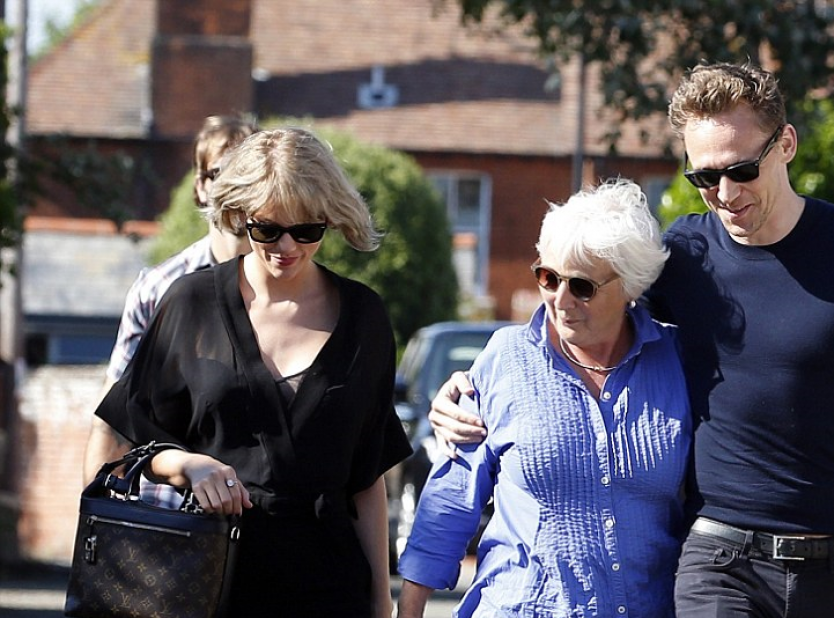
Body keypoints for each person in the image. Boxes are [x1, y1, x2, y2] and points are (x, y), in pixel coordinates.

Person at [431, 61, 834, 618]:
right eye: (704, 177)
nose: (724, 193)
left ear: (786, 144)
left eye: (742, 170)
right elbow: (585, 330)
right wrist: (472, 386)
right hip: (719, 563)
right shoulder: (682, 260)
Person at [94, 127, 411, 618]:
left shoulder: (364, 316)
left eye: (306, 230)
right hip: (209, 579)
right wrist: (187, 465)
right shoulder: (191, 302)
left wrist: (381, 602)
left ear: (329, 219)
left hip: (330, 586)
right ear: (241, 216)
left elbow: (367, 479)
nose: (287, 246)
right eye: (267, 229)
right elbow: (126, 445)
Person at [397, 179, 693, 618]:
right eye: (548, 278)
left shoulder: (678, 362)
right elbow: (451, 500)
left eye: (582, 286)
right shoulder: (506, 359)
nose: (560, 300)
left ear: (630, 286)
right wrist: (409, 611)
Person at [83, 114, 257, 498]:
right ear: (201, 186)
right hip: (164, 514)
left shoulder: (289, 291)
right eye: (221, 174)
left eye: (248, 175)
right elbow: (112, 421)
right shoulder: (158, 288)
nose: (235, 188)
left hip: (252, 509)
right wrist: (97, 513)